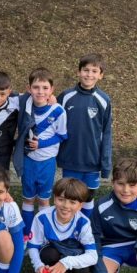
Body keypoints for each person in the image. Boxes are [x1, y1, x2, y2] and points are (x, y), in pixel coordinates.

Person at [13, 67, 68, 239]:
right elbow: (4, 93)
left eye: (45, 88)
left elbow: (62, 135)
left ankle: (43, 234)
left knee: (44, 200)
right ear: (29, 88)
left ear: (52, 90)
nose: (40, 92)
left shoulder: (58, 110)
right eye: (36, 87)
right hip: (29, 160)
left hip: (47, 162)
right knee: (28, 199)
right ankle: (26, 234)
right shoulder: (24, 104)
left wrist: (41, 144)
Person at [27, 178, 98, 273]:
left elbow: (93, 256)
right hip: (51, 255)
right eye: (61, 199)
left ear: (80, 205)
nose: (66, 206)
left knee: (82, 264)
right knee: (49, 254)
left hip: (70, 256)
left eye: (72, 202)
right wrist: (38, 266)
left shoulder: (83, 222)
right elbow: (32, 246)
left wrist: (66, 262)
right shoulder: (42, 217)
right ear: (54, 199)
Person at [57, 53, 112, 216]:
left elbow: (107, 133)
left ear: (101, 75)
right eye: (86, 70)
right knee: (69, 198)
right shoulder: (66, 96)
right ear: (78, 72)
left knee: (87, 199)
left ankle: (86, 228)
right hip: (70, 160)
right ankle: (68, 227)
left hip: (92, 161)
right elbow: (53, 125)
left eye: (94, 71)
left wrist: (105, 164)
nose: (89, 74)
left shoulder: (103, 100)